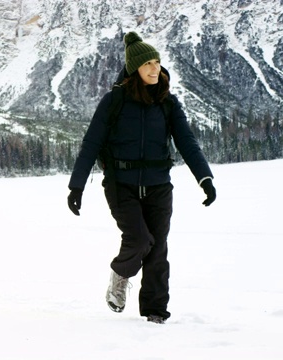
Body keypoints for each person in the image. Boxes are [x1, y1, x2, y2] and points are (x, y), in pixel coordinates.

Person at [66, 31, 216, 324]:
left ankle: (155, 313)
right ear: (135, 67)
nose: (154, 68)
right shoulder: (114, 101)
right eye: (147, 63)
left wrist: (205, 178)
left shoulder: (167, 102)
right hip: (121, 184)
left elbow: (187, 141)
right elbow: (91, 143)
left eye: (157, 62)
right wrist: (77, 186)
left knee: (158, 249)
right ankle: (120, 275)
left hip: (159, 185)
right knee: (139, 239)